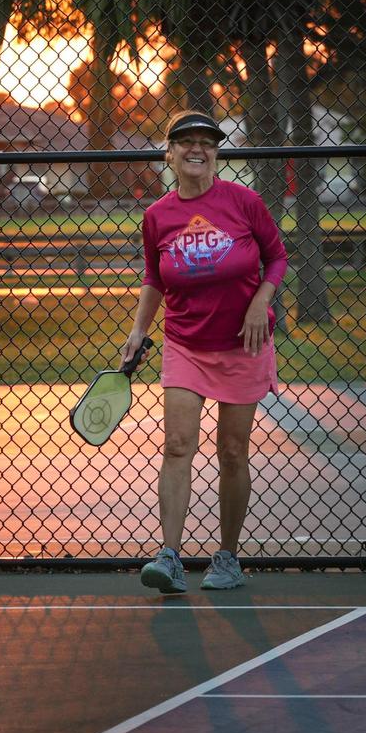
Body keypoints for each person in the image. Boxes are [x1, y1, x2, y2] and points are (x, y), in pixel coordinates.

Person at [122, 110, 288, 592]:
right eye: (187, 141)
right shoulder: (157, 215)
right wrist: (139, 329)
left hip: (243, 344)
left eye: (207, 142)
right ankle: (170, 558)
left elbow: (276, 256)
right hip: (185, 343)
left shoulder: (244, 201)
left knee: (233, 452)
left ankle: (228, 558)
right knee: (177, 446)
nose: (198, 148)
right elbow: (155, 276)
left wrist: (261, 302)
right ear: (169, 153)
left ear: (216, 152)